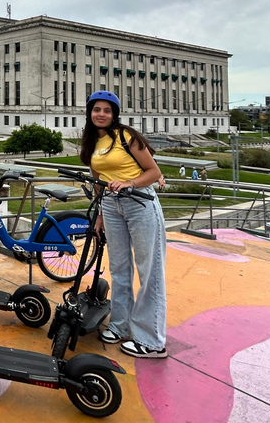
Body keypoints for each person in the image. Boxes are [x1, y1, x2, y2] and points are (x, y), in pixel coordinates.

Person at [81, 91, 167, 359]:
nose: (101, 114)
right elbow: (98, 179)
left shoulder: (126, 136)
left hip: (139, 202)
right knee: (119, 268)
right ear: (90, 113)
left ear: (114, 114)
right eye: (97, 109)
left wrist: (129, 183)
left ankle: (152, 341)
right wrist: (100, 214)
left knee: (149, 269)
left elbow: (154, 172)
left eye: (107, 110)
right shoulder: (92, 142)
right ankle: (120, 325)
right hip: (110, 205)